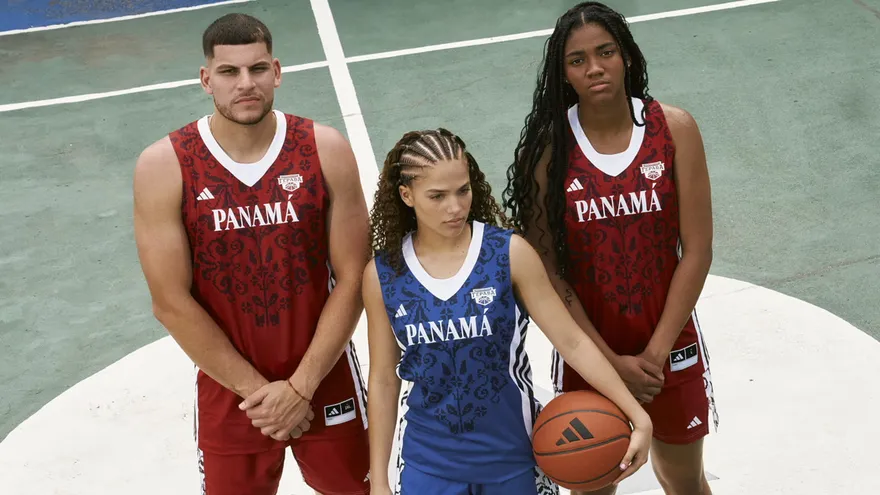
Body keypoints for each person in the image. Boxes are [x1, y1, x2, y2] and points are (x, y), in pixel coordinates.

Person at [132, 13, 371, 495]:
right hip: (231, 392)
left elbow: (354, 277)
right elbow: (170, 302)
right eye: (229, 71)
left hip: (325, 377)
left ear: (276, 72)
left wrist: (300, 387)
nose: (246, 83)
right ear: (207, 79)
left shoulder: (324, 149)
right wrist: (263, 396)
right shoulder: (165, 165)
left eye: (257, 68)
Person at [362, 128, 653, 495]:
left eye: (463, 190)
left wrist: (637, 414)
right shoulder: (383, 274)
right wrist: (379, 479)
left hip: (514, 457)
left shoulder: (509, 253)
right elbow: (384, 379)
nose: (455, 207)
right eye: (437, 196)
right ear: (407, 195)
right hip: (428, 462)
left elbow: (572, 342)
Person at [502, 3, 718, 495]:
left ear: (627, 57)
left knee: (683, 480)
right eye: (577, 60)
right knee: (592, 482)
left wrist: (655, 355)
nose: (594, 68)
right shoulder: (549, 148)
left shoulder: (674, 128)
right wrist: (608, 362)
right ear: (563, 73)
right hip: (589, 348)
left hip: (669, 345)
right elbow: (546, 271)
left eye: (605, 52)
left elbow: (698, 250)